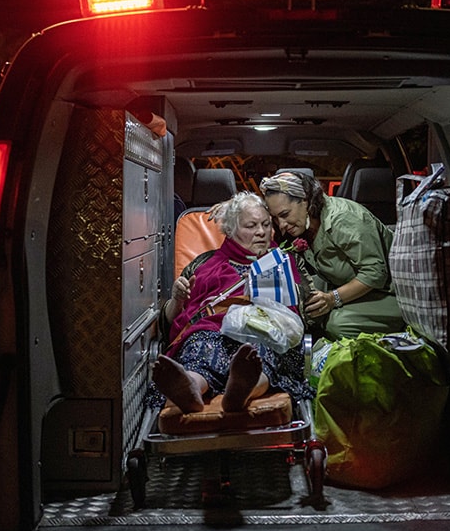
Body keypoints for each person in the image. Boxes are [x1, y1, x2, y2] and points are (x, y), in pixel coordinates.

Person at [148, 191, 314, 414]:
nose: (261, 232)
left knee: (261, 348)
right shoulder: (204, 263)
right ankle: (191, 388)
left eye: (266, 225)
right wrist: (177, 299)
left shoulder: (284, 260)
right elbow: (170, 324)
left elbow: (304, 310)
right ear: (231, 230)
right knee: (201, 344)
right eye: (251, 226)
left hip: (264, 330)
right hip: (214, 330)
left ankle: (243, 389)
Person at [260, 170, 404, 340]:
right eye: (276, 219)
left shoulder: (342, 218)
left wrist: (332, 299)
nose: (282, 224)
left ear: (306, 200)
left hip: (392, 294)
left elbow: (375, 273)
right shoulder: (304, 227)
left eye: (284, 214)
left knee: (336, 323)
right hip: (347, 286)